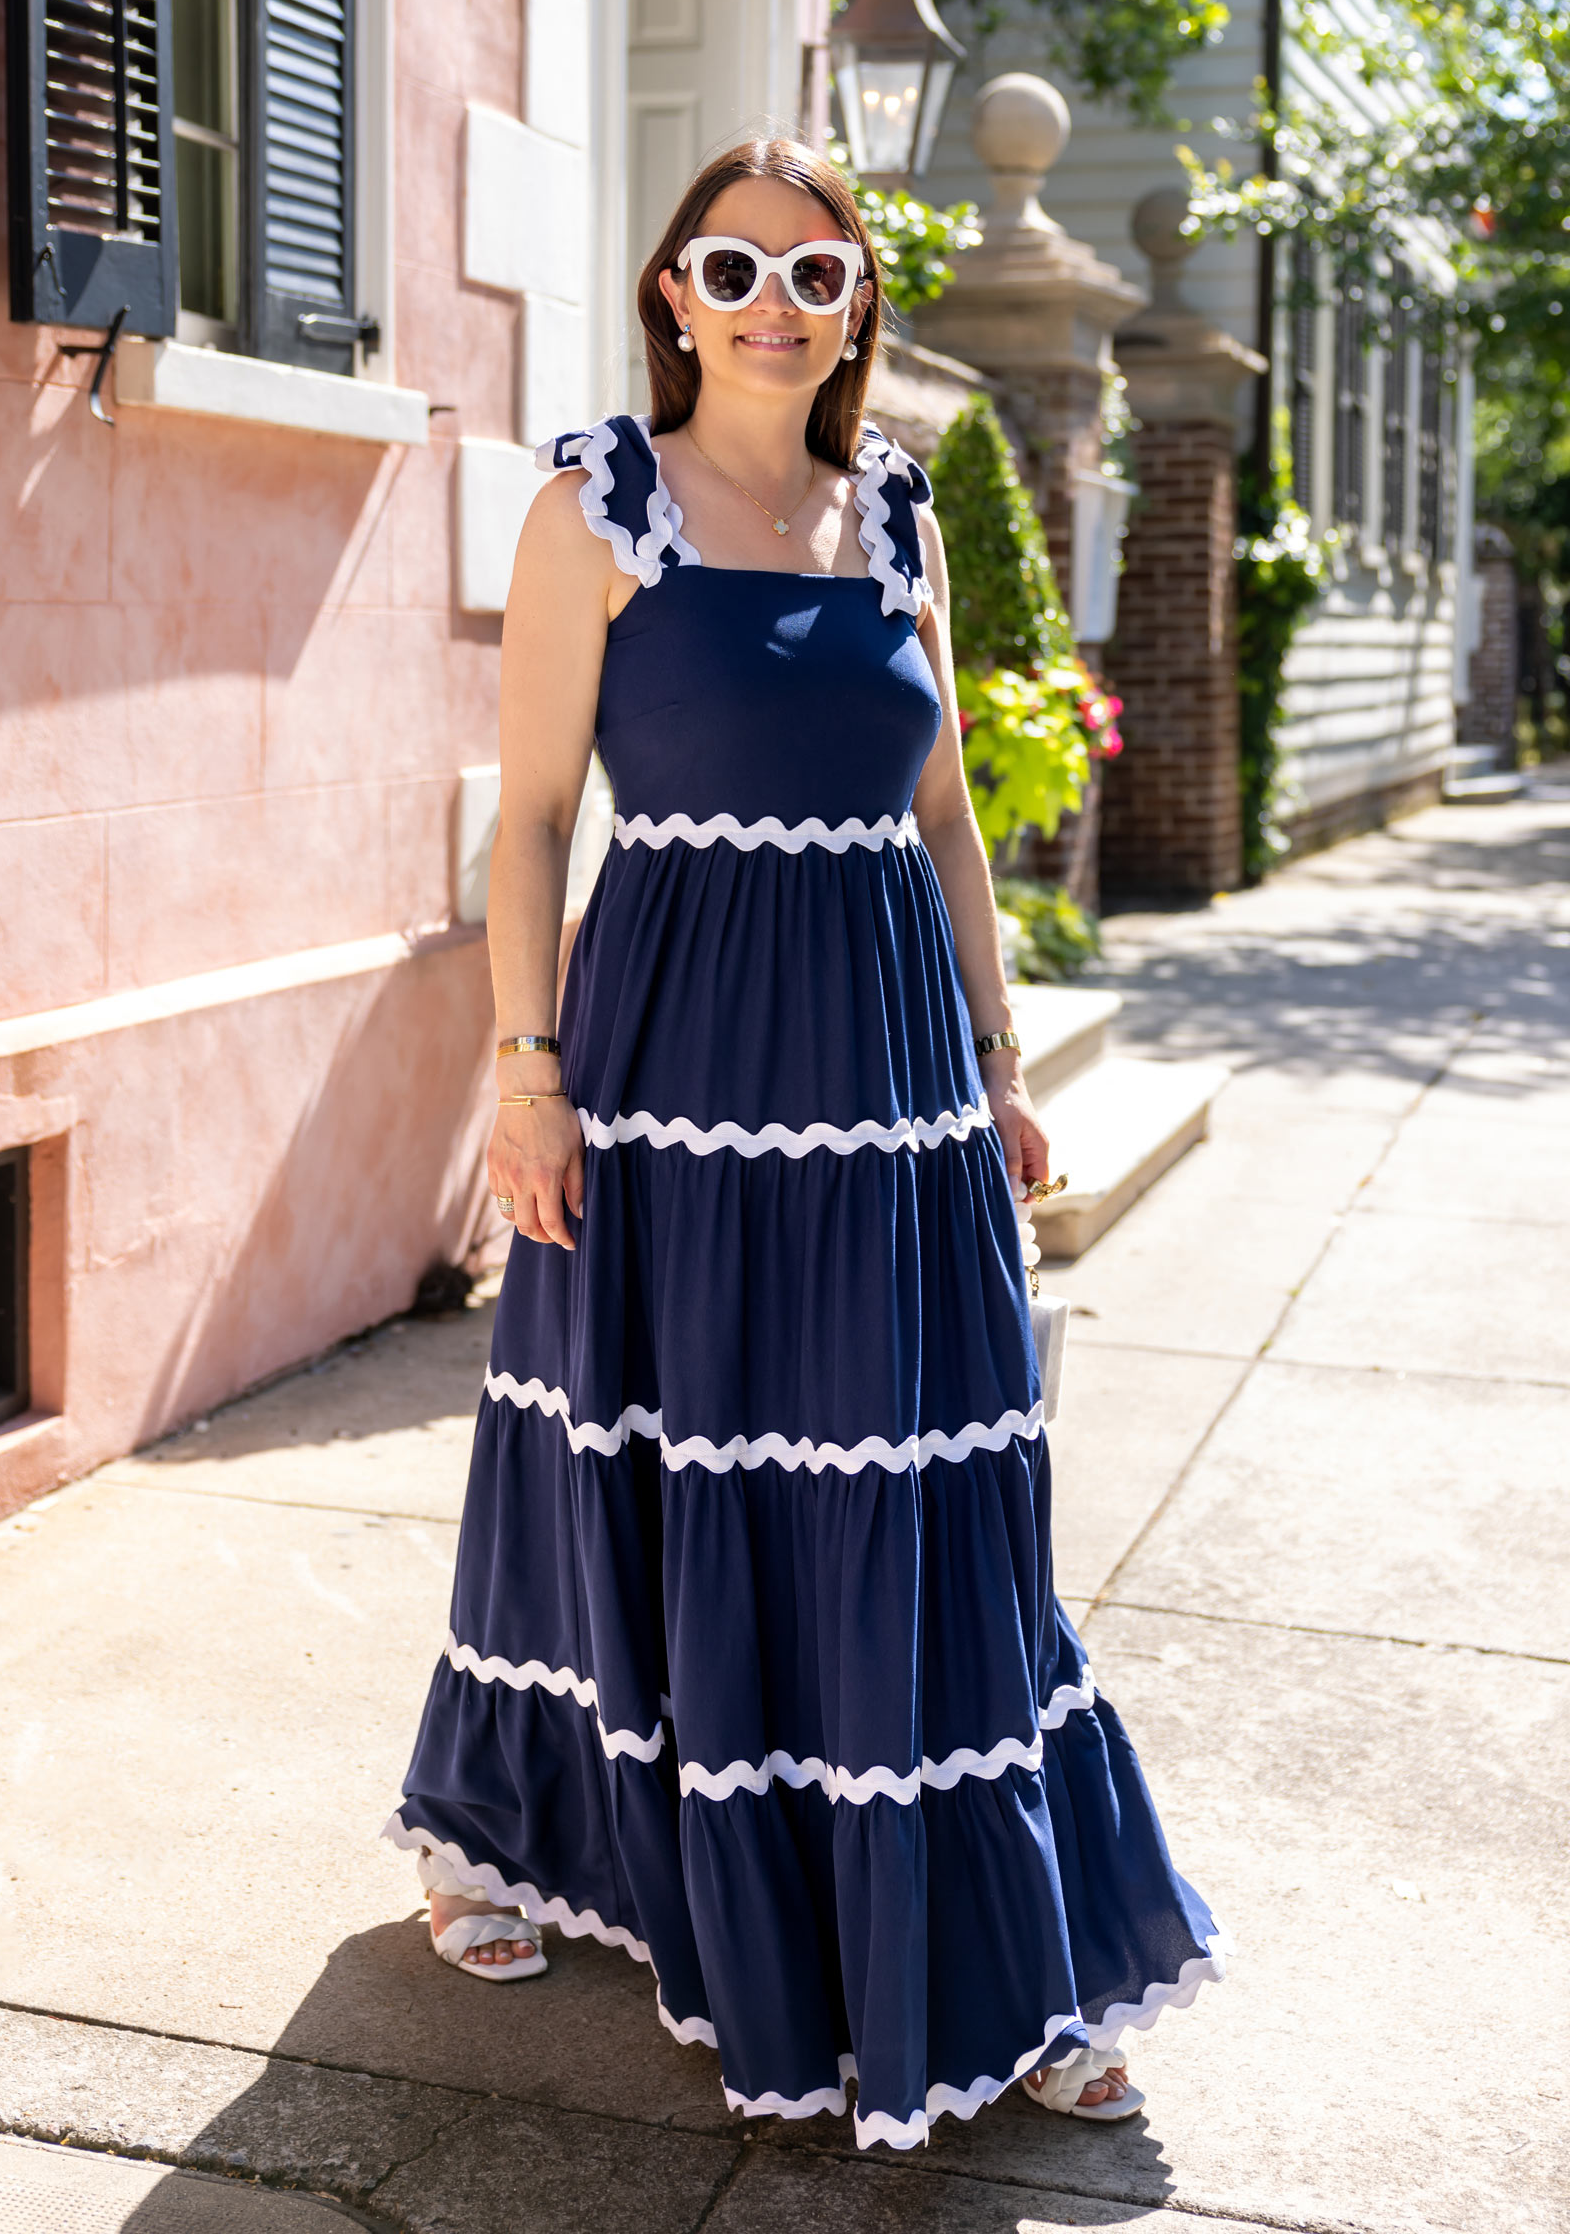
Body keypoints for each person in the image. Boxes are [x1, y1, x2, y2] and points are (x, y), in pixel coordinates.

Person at [384, 136, 1225, 2150]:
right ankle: (514, 1831)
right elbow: (524, 821)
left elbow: (942, 821)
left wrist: (1003, 1059)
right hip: (668, 1055)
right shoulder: (592, 507)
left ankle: (998, 1946)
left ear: (855, 311)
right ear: (673, 293)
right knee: (641, 1445)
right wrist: (524, 1070)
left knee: (919, 1492)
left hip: (888, 1071)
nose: (777, 300)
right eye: (736, 266)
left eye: (818, 273)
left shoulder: (899, 516)